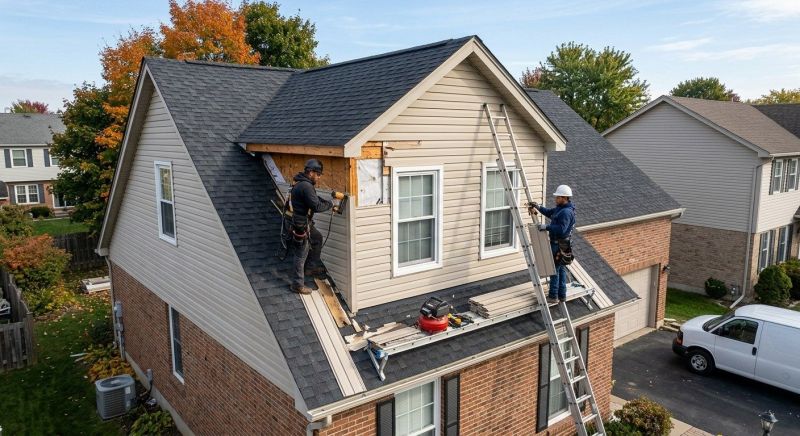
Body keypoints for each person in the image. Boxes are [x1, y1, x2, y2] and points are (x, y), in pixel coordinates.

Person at [287, 159, 333, 294]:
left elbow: (314, 198)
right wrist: (331, 204)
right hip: (300, 224)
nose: (319, 177)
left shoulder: (302, 183)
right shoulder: (306, 186)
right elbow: (316, 206)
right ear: (311, 172)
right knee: (301, 254)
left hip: (303, 221)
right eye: (318, 174)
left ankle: (310, 268)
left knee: (317, 238)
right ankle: (297, 285)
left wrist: (327, 201)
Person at [532, 185, 575, 304]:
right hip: (562, 244)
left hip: (559, 245)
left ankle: (553, 296)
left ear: (564, 198)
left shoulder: (566, 212)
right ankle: (562, 295)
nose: (555, 199)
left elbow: (561, 229)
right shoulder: (560, 209)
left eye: (558, 197)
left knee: (554, 270)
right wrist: (538, 207)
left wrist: (547, 227)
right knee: (560, 270)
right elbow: (549, 212)